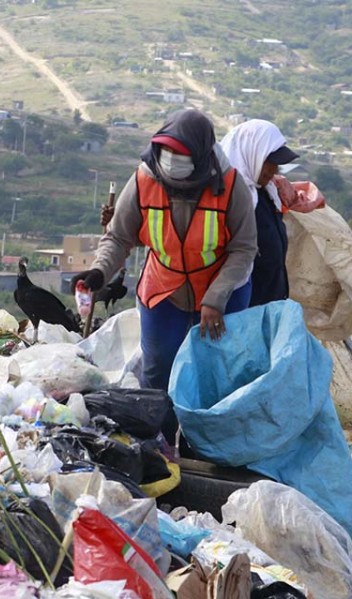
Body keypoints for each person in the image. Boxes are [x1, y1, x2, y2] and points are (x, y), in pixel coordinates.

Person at [70, 110, 257, 433]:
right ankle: (160, 443)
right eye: (167, 152)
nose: (171, 160)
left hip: (221, 290)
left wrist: (216, 298)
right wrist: (99, 272)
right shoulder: (145, 180)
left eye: (181, 155)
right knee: (159, 370)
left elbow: (244, 249)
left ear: (200, 156)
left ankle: (209, 446)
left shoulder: (229, 185)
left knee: (217, 371)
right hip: (164, 287)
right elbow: (119, 236)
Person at [220, 119, 299, 307]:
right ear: (251, 154)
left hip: (270, 303)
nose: (274, 170)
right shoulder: (229, 198)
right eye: (269, 162)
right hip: (241, 306)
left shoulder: (266, 193)